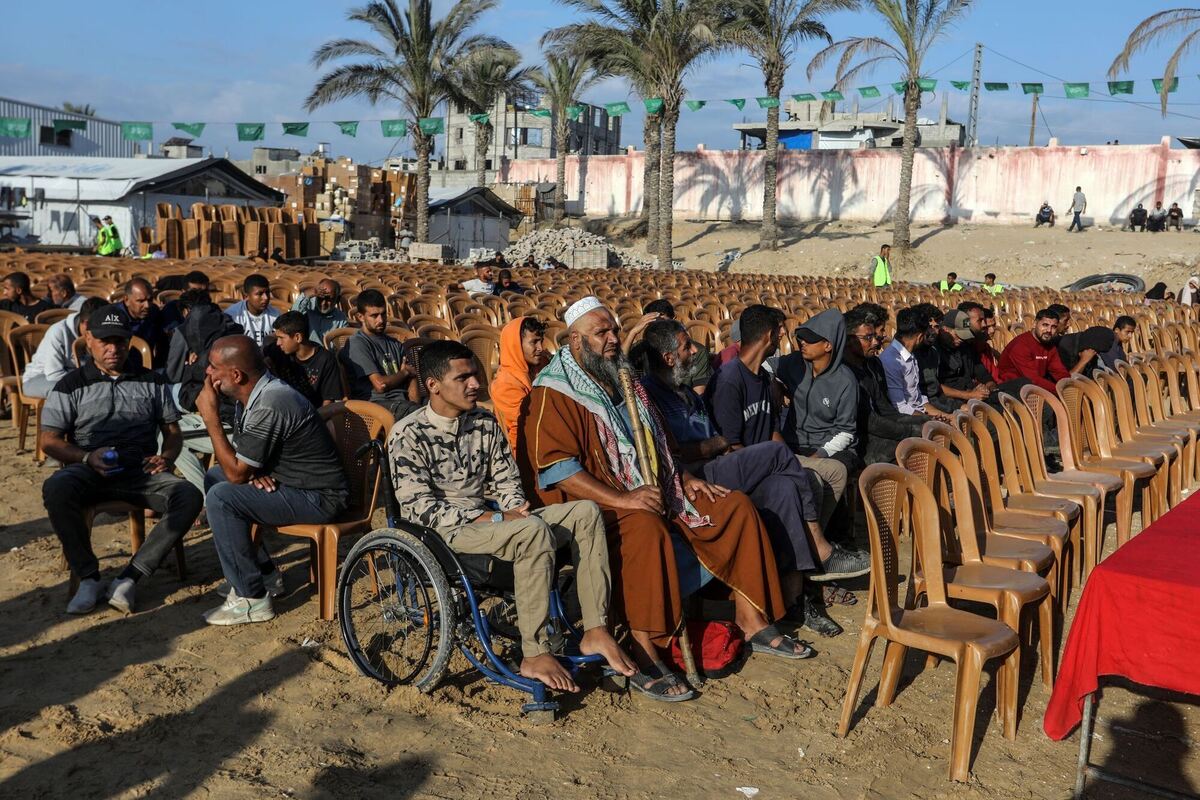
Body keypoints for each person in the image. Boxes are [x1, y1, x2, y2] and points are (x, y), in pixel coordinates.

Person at [526, 297, 807, 700]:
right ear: (575, 340)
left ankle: (751, 619)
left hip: (656, 486)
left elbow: (659, 444)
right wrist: (623, 499)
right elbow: (557, 471)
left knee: (733, 506)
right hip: (596, 502)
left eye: (614, 330)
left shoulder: (624, 377)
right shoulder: (554, 391)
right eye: (601, 333)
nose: (613, 339)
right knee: (644, 525)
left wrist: (685, 477)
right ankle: (645, 645)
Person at [389, 340, 636, 692]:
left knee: (585, 512)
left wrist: (515, 509)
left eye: (475, 375)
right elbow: (420, 509)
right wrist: (495, 520)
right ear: (434, 385)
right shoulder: (408, 434)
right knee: (532, 531)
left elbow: (506, 480)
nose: (475, 384)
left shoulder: (483, 423)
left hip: (490, 522)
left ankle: (595, 629)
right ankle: (534, 652)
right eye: (463, 378)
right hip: (445, 533)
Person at [641, 316, 859, 638]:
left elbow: (717, 438)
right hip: (693, 475)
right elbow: (669, 451)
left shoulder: (685, 392)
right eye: (687, 347)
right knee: (778, 454)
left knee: (785, 487)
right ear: (669, 358)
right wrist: (713, 445)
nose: (695, 351)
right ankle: (821, 548)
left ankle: (794, 598)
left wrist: (715, 444)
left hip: (716, 464)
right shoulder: (650, 395)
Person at [39, 305, 203, 614]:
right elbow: (48, 440)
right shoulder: (70, 385)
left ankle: (130, 577)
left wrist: (166, 458)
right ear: (89, 340)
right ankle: (88, 576)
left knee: (189, 495)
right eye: (105, 341)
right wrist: (87, 457)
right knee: (56, 487)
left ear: (129, 341)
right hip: (89, 469)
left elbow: (172, 432)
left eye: (120, 341)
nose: (113, 349)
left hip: (140, 471)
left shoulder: (152, 381)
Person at [198, 336, 349, 625]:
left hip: (320, 497)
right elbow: (243, 462)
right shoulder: (253, 395)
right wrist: (255, 471)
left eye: (213, 367)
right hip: (294, 483)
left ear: (236, 375)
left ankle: (251, 598)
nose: (208, 372)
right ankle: (264, 573)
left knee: (221, 498)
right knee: (215, 476)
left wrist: (210, 417)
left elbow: (237, 473)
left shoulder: (271, 401)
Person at [842, 306, 928, 466]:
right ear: (848, 340)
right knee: (912, 449)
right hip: (859, 439)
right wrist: (910, 431)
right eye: (868, 338)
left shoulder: (872, 364)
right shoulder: (844, 373)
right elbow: (869, 421)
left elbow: (886, 409)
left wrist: (925, 421)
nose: (876, 342)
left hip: (878, 429)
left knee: (932, 428)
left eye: (874, 336)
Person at [341, 289, 420, 420]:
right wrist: (404, 372)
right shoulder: (357, 343)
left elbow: (412, 378)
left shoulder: (395, 344)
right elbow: (380, 385)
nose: (381, 320)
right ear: (360, 317)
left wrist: (417, 406)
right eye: (374, 315)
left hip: (403, 404)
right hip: (374, 405)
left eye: (383, 314)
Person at [21, 297, 106, 398]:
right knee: (68, 391)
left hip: (74, 377)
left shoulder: (97, 334)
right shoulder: (58, 332)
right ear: (86, 323)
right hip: (40, 378)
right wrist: (85, 382)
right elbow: (53, 374)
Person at [491, 316, 550, 456]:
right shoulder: (505, 385)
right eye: (534, 342)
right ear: (516, 345)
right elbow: (525, 428)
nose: (540, 348)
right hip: (528, 450)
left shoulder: (541, 364)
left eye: (541, 341)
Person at [880, 306, 952, 420]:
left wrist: (946, 417)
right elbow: (900, 408)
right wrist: (931, 420)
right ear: (920, 337)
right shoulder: (891, 361)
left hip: (920, 415)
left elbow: (919, 401)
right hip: (907, 421)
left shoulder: (911, 355)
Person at [264, 312, 343, 408]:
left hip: (314, 413)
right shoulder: (278, 351)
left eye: (281, 338)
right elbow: (257, 357)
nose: (278, 343)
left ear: (298, 337)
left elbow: (328, 401)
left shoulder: (326, 360)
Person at [998, 308, 1070, 392]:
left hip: (1033, 387)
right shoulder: (1020, 345)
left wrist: (1069, 386)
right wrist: (1059, 391)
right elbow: (1033, 379)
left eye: (1053, 327)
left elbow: (1059, 371)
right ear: (1035, 324)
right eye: (1045, 325)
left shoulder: (1049, 345)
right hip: (1011, 389)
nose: (1049, 330)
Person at [118, 277, 167, 366]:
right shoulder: (114, 316)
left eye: (150, 300)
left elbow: (162, 343)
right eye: (140, 301)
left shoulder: (154, 312)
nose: (147, 305)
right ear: (126, 300)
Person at [223, 274, 280, 348]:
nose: (265, 298)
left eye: (267, 292)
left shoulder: (276, 315)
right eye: (259, 294)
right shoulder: (233, 315)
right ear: (246, 296)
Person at [290, 278, 349, 345]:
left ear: (337, 300)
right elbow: (292, 318)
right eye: (320, 298)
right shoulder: (308, 306)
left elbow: (341, 345)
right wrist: (308, 294)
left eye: (328, 299)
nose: (323, 303)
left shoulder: (341, 318)